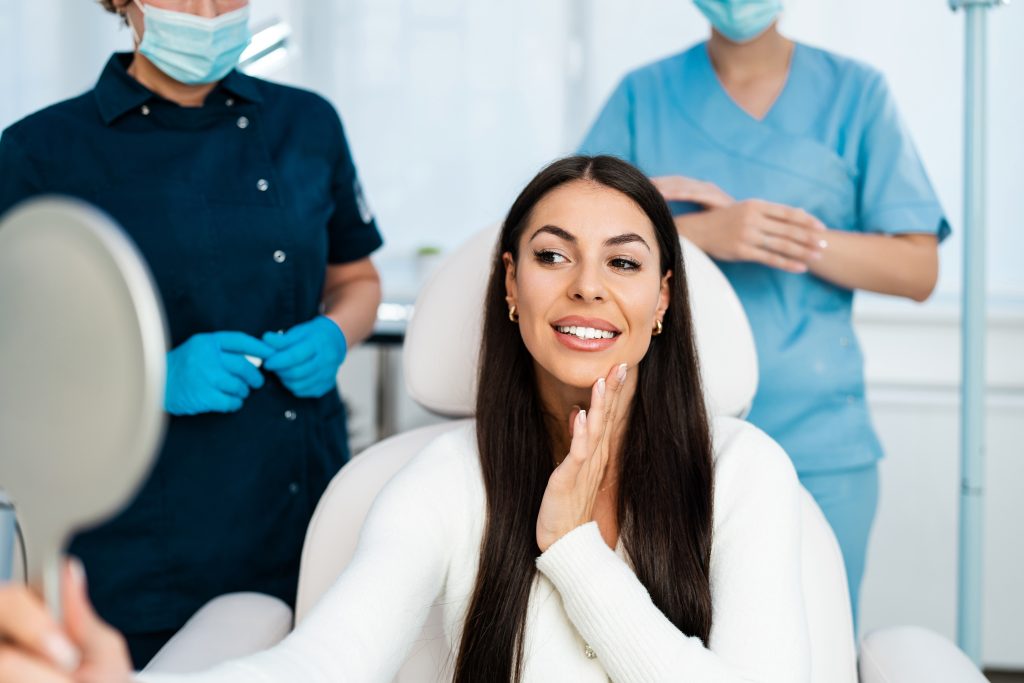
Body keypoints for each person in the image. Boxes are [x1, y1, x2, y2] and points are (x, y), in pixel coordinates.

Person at [0, 155, 814, 682]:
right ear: (509, 285)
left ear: (664, 297)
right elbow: (324, 661)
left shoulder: (746, 470)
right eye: (552, 255)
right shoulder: (447, 477)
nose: (587, 288)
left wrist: (575, 553)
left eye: (625, 262)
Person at [0, 0, 383, 667]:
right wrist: (147, 380)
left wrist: (335, 333)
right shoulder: (40, 151)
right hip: (141, 550)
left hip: (305, 512)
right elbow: (18, 356)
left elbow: (358, 280)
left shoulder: (308, 124)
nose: (207, 12)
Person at [578, 0, 949, 621]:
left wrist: (792, 237)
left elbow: (917, 268)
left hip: (820, 438)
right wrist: (703, 233)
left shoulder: (856, 94)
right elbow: (577, 229)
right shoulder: (644, 95)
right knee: (669, 634)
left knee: (815, 635)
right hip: (668, 426)